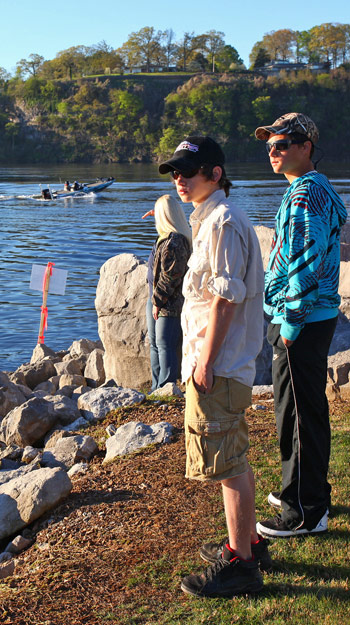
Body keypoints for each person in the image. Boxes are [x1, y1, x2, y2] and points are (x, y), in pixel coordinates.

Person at [159, 136, 268, 597]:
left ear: (215, 174)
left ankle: (241, 563)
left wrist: (203, 364)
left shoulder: (222, 221)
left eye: (189, 170)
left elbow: (225, 298)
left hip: (219, 366)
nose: (179, 179)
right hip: (220, 363)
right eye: (175, 172)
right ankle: (247, 544)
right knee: (230, 456)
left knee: (227, 463)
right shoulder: (212, 219)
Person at [253, 113, 347, 538]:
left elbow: (306, 264)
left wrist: (289, 321)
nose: (273, 152)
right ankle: (305, 491)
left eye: (283, 144)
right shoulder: (313, 187)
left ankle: (305, 511)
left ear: (306, 146)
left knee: (298, 415)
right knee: (302, 409)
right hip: (314, 316)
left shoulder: (306, 194)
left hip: (302, 320)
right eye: (269, 145)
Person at [142, 194, 191, 391]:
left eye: (158, 214)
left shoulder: (175, 241)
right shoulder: (165, 236)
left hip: (168, 302)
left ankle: (167, 386)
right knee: (154, 343)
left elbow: (172, 275)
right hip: (155, 297)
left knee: (165, 343)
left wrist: (157, 301)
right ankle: (156, 387)